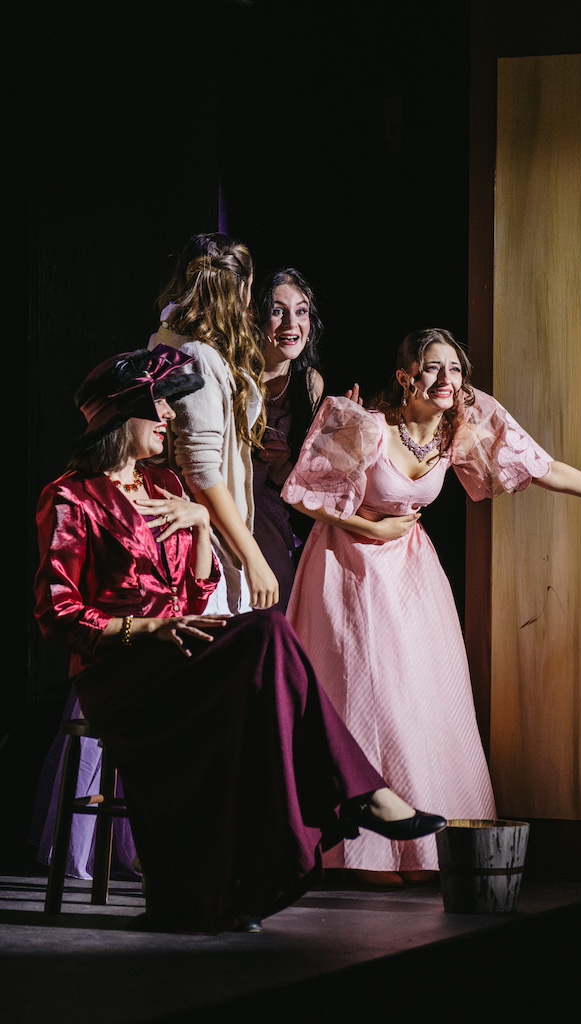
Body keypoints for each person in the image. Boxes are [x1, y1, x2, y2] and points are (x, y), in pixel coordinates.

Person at [33, 344, 447, 934]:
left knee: (267, 645)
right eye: (161, 411)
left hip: (179, 656)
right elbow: (57, 613)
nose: (173, 419)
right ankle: (354, 795)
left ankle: (246, 879)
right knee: (267, 635)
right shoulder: (72, 497)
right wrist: (148, 626)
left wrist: (202, 523)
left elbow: (196, 594)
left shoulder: (165, 484)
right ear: (124, 419)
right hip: (120, 672)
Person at [282, 327, 581, 887]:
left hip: (411, 575)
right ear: (404, 374)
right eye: (433, 368)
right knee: (372, 697)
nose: (447, 381)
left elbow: (541, 465)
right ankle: (359, 852)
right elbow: (303, 494)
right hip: (348, 569)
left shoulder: (461, 426)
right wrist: (372, 524)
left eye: (456, 370)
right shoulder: (361, 422)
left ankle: (422, 848)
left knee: (421, 702)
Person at [148, 232, 276, 615]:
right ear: (240, 290)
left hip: (198, 537)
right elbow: (201, 470)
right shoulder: (196, 355)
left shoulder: (169, 340)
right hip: (204, 546)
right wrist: (253, 557)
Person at [252, 268, 325, 610]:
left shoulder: (309, 382)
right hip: (225, 500)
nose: (291, 324)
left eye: (301, 311)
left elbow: (288, 477)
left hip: (271, 510)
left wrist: (341, 438)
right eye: (277, 311)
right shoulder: (236, 374)